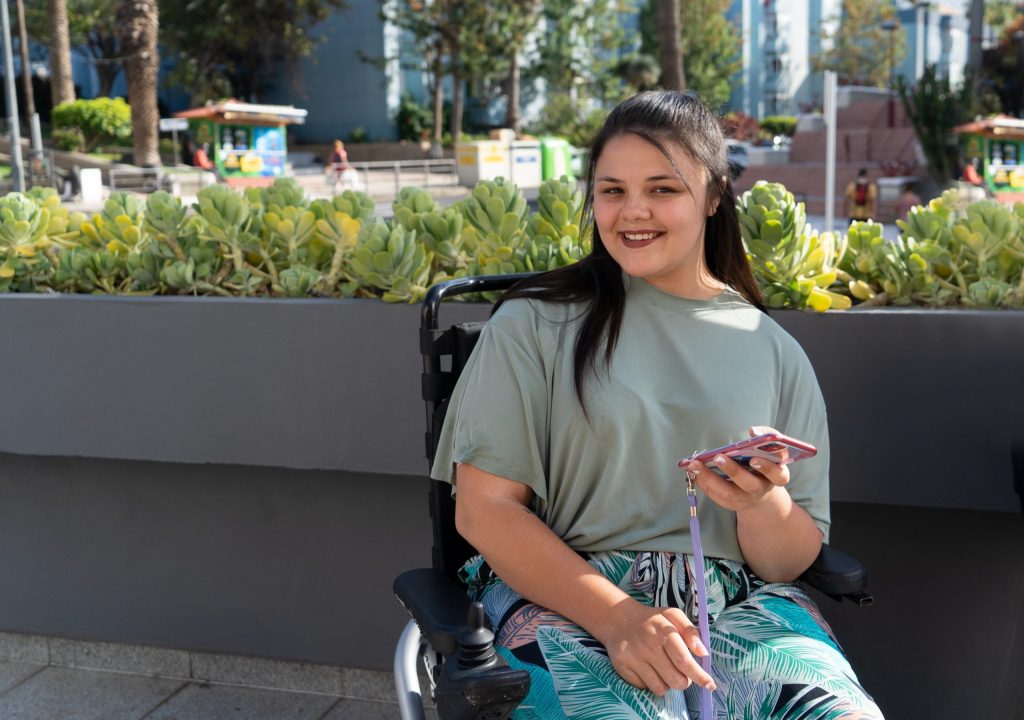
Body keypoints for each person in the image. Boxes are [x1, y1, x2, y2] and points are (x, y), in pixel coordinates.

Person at [431, 91, 883, 719]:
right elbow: (485, 512)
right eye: (612, 190)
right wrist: (619, 618)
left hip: (743, 607)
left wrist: (761, 502)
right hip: (567, 596)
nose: (632, 211)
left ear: (713, 196)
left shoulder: (775, 351)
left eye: (663, 189)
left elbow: (789, 560)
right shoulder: (532, 325)